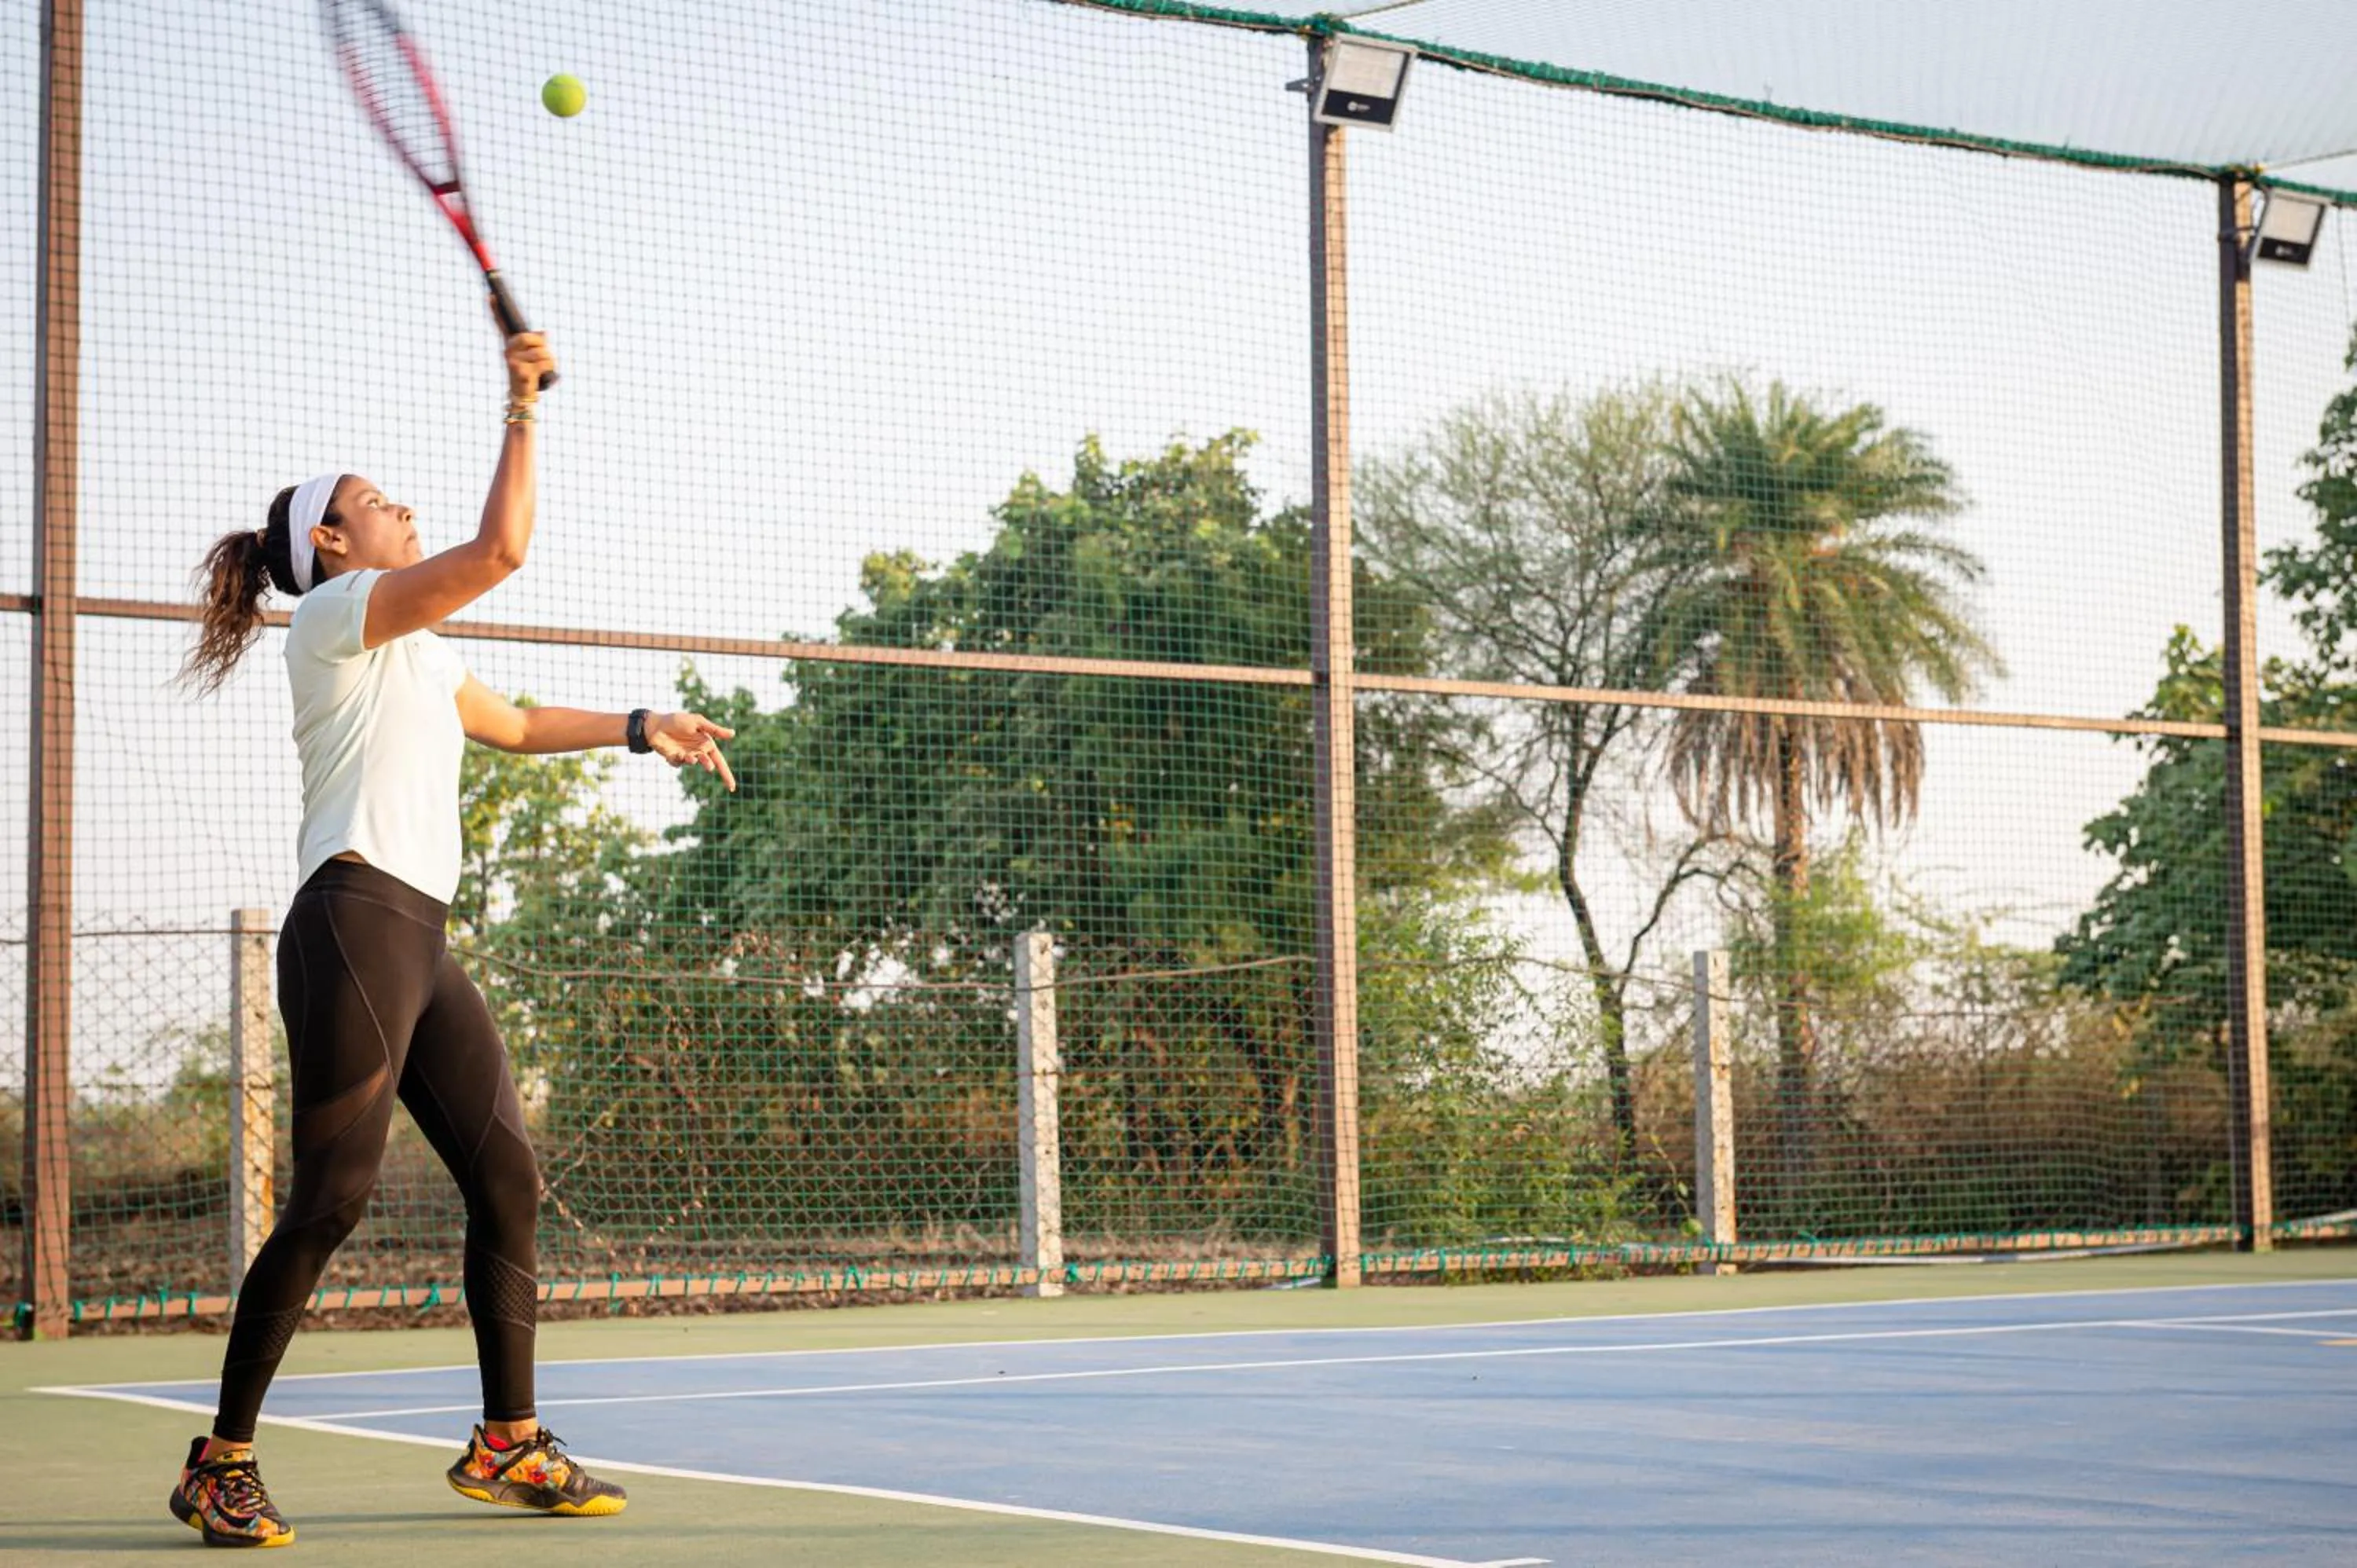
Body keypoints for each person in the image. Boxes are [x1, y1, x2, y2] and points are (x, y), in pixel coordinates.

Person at [170, 324, 735, 1548]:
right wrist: (522, 404)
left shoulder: (412, 649)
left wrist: (645, 726)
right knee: (332, 1196)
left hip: (419, 932)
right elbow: (503, 550)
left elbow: (519, 724)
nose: (401, 506)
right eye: (376, 501)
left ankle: (509, 1444)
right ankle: (220, 1462)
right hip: (355, 917)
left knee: (506, 1177)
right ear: (331, 542)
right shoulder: (337, 620)